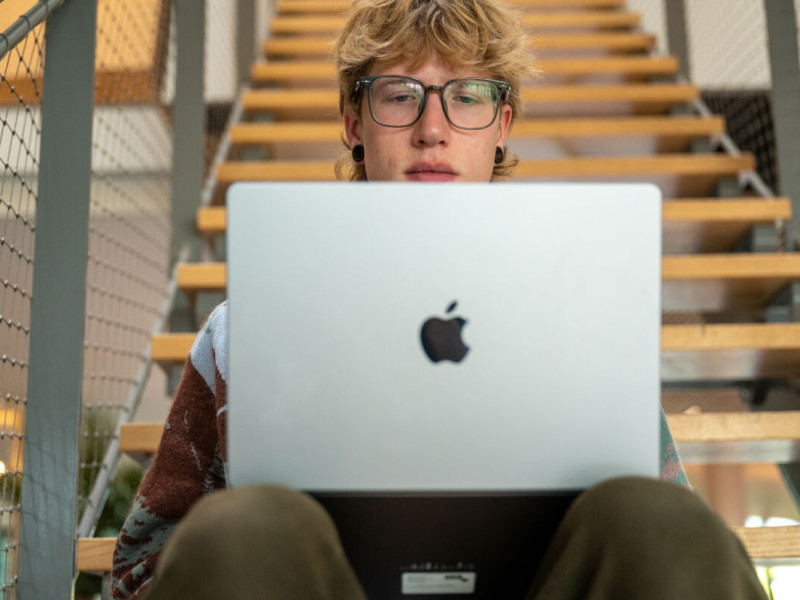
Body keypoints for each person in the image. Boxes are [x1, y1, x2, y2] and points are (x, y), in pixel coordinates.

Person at [111, 1, 767, 598]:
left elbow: (673, 557)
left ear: (501, 127)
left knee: (661, 524)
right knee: (240, 531)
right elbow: (139, 571)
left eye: (468, 97)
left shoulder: (588, 327)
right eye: (399, 96)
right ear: (353, 124)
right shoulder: (247, 328)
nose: (432, 128)